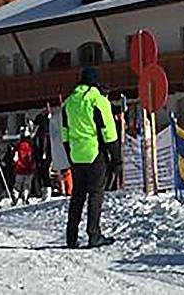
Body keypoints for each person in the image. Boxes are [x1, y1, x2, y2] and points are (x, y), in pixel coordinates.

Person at [61, 66, 120, 249]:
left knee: (77, 195)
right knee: (95, 193)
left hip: (76, 154)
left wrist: (70, 154)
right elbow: (108, 131)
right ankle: (94, 234)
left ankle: (71, 236)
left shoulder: (68, 103)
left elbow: (65, 133)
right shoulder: (98, 100)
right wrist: (116, 158)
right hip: (95, 153)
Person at [33, 105, 53, 200]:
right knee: (42, 171)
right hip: (41, 153)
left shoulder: (46, 132)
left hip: (45, 153)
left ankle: (47, 191)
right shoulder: (39, 134)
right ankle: (44, 191)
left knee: (45, 171)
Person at [12, 130, 35, 205]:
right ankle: (25, 196)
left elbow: (15, 158)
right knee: (27, 185)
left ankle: (15, 196)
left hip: (19, 168)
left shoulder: (18, 146)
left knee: (18, 184)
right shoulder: (31, 146)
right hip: (29, 169)